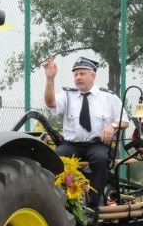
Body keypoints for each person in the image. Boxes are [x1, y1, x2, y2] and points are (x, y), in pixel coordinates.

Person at [43, 56, 128, 204]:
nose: (78, 77)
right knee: (54, 159)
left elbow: (125, 121)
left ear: (93, 76)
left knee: (101, 160)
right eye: (75, 74)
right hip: (71, 145)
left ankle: (92, 206)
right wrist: (50, 79)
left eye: (82, 74)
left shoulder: (108, 97)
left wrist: (112, 125)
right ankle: (60, 203)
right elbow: (50, 103)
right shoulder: (68, 95)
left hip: (98, 144)